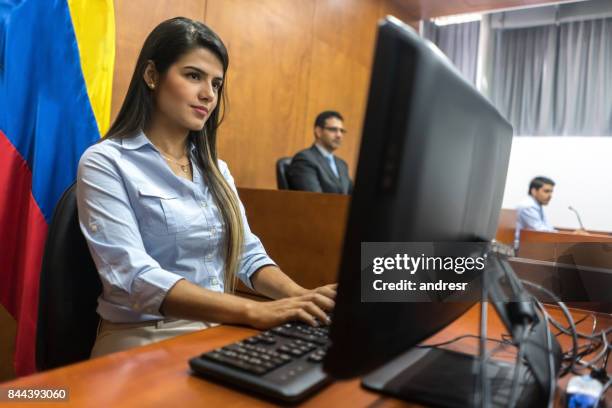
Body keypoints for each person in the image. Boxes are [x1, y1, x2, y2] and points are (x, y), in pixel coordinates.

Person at [77, 17, 335, 358]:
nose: (208, 95)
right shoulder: (105, 162)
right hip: (142, 336)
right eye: (193, 76)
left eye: (216, 84)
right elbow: (133, 277)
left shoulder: (215, 168)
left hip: (216, 329)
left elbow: (247, 254)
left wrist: (300, 297)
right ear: (152, 75)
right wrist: (253, 311)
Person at [287, 111, 353, 194]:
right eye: (333, 130)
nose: (339, 135)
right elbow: (314, 199)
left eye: (342, 131)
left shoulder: (342, 164)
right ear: (318, 132)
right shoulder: (305, 159)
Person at [514, 176, 557, 247]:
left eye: (551, 192)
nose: (550, 195)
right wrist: (570, 235)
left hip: (529, 247)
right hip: (520, 250)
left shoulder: (537, 205)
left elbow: (546, 226)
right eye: (546, 191)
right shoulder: (528, 206)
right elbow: (540, 231)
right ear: (534, 191)